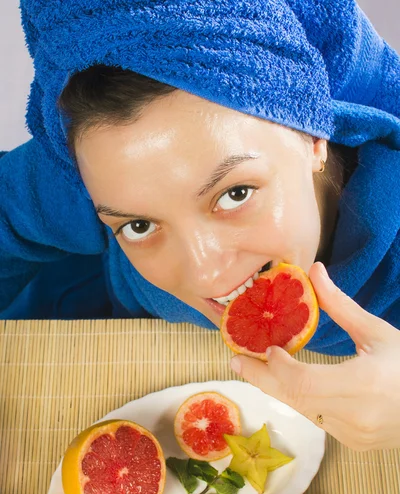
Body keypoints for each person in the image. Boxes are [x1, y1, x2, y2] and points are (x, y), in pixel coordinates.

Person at [1, 0, 399, 451]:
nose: (206, 274)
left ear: (313, 138)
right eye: (138, 226)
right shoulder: (95, 173)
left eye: (235, 194)